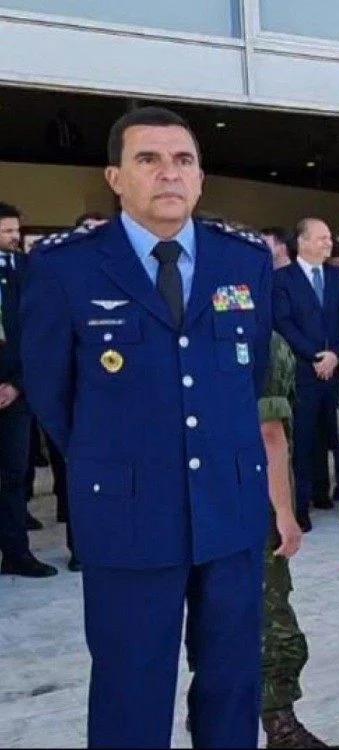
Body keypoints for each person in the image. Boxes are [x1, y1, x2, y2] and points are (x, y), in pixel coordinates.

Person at [21, 106, 273, 747]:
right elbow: (53, 392)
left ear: (201, 177)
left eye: (183, 160)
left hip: (230, 508)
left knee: (232, 684)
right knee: (132, 691)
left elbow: (253, 376)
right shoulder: (65, 266)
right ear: (115, 176)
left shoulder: (243, 261)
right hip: (128, 517)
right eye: (149, 159)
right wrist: (115, 463)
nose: (169, 173)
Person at [256, 331, 330, 748]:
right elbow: (270, 435)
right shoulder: (261, 339)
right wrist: (285, 513)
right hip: (248, 504)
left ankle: (210, 717)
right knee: (275, 626)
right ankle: (280, 726)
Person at [273, 218, 339, 530]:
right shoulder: (282, 280)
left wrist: (335, 355)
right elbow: (284, 324)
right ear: (301, 242)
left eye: (329, 238)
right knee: (303, 443)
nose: (329, 243)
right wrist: (314, 356)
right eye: (322, 238)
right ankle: (301, 508)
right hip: (304, 374)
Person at [0, 201, 56, 578]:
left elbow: (37, 331)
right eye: (6, 231)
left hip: (14, 394)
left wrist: (16, 383)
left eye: (15, 231)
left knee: (13, 475)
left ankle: (16, 554)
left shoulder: (27, 271)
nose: (14, 237)